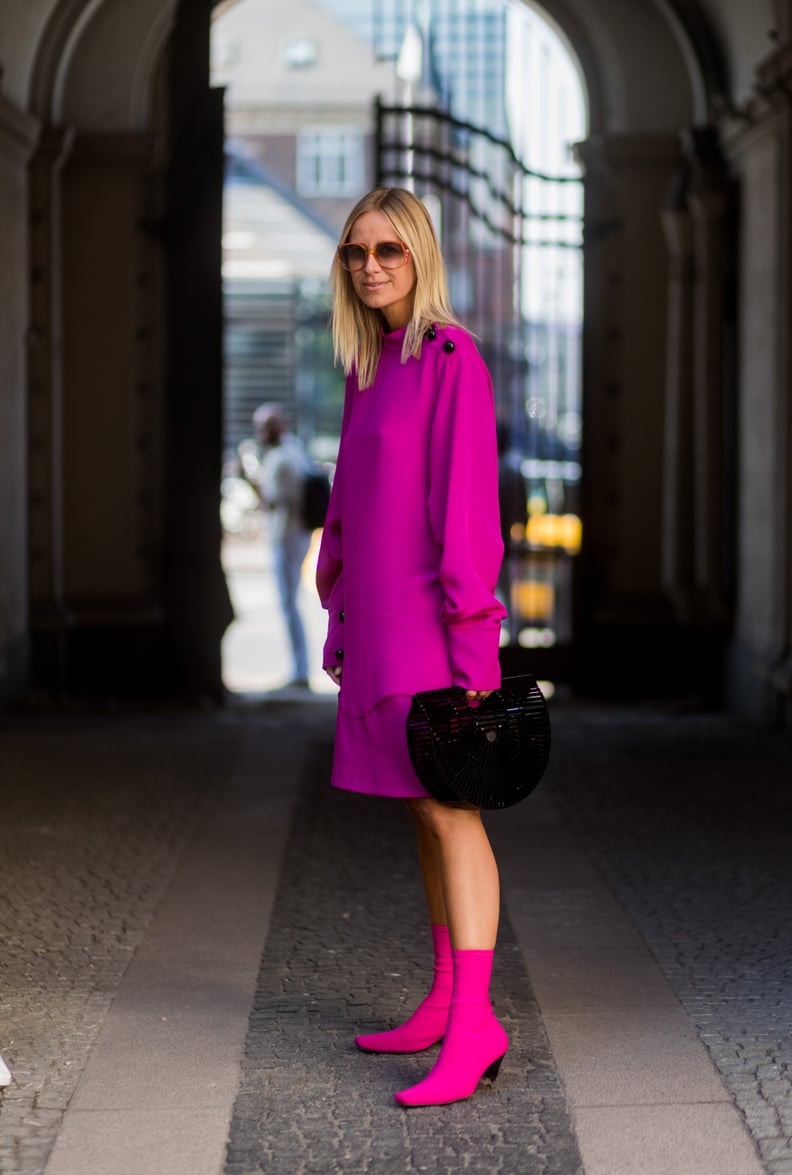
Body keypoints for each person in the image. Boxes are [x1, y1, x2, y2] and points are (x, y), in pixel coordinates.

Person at [316, 188, 509, 1107]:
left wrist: (477, 654)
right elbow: (348, 507)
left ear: (421, 254)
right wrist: (340, 611)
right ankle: (443, 1000)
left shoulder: (448, 357)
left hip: (436, 630)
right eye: (356, 251)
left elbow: (467, 516)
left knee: (452, 809)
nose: (371, 265)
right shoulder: (367, 364)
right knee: (419, 810)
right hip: (381, 628)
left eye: (389, 248)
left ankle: (476, 1024)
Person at [251, 404, 311, 689]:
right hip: (294, 534)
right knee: (290, 602)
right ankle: (299, 669)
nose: (261, 433)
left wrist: (251, 480)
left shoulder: (282, 458)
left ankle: (300, 671)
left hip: (287, 535)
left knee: (289, 604)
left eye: (265, 426)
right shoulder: (295, 452)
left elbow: (272, 499)